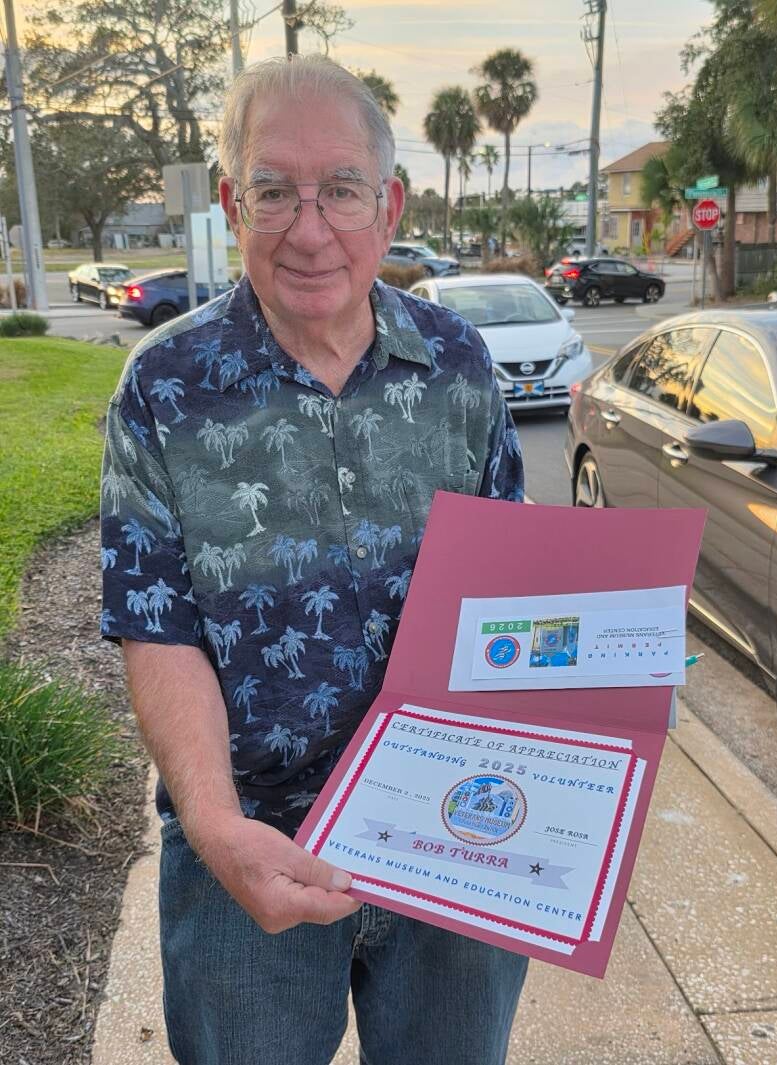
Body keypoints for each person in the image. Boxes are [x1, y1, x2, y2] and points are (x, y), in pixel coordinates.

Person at [100, 55, 525, 1065]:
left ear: (388, 204)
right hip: (249, 847)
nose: (309, 228)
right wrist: (213, 826)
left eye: (340, 189)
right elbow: (157, 626)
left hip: (454, 840)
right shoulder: (164, 387)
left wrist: (601, 706)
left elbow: (509, 594)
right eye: (273, 191)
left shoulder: (460, 367)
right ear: (229, 205)